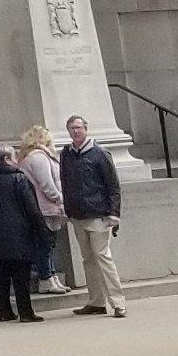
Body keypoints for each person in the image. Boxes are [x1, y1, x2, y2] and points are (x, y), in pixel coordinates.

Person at [0, 142, 55, 322]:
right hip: (18, 235)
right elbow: (32, 208)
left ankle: (5, 311)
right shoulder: (18, 178)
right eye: (14, 157)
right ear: (6, 158)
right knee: (21, 277)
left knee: (0, 276)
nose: (16, 160)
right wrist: (42, 230)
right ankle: (25, 312)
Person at [58, 114, 131, 316]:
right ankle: (96, 301)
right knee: (87, 259)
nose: (76, 131)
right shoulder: (66, 154)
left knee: (102, 257)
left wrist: (114, 213)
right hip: (77, 215)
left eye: (78, 127)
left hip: (99, 214)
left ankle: (118, 302)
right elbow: (65, 182)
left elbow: (113, 185)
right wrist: (67, 210)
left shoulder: (100, 153)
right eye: (72, 128)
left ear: (86, 129)